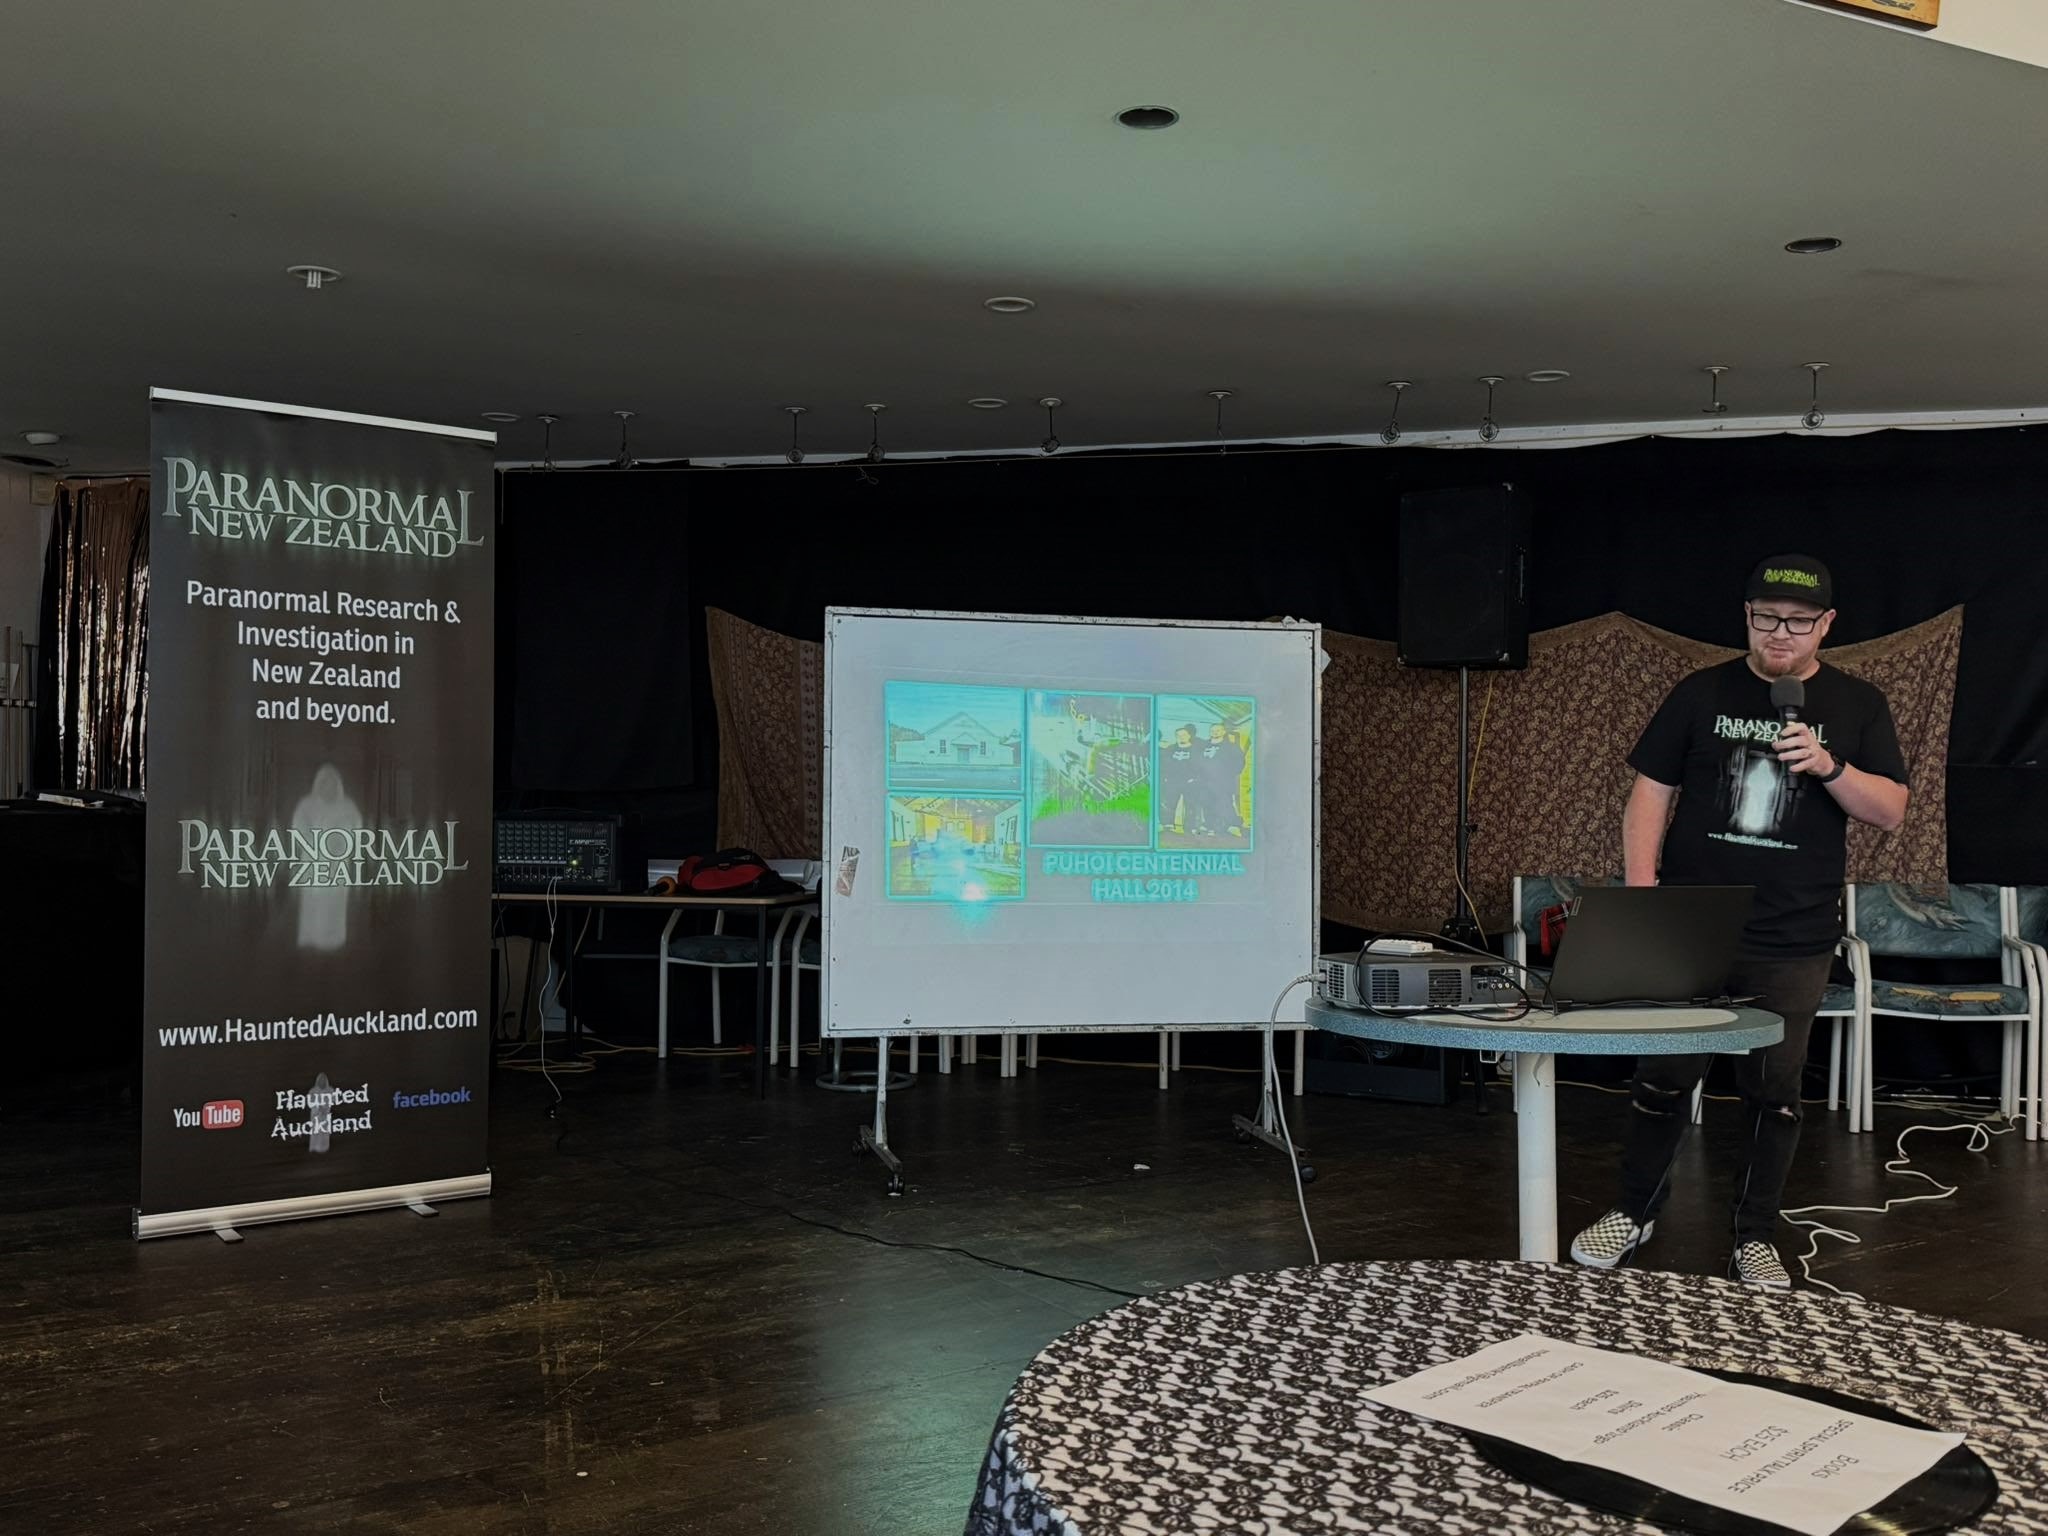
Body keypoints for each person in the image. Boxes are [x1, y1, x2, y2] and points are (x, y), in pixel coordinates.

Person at [1569, 555, 1909, 1290]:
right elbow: (1650, 793)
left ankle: (1754, 1234)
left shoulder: (1857, 703)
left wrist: (1829, 766)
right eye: (1765, 618)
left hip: (1793, 933)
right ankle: (1634, 1210)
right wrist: (1644, 896)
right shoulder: (1701, 691)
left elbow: (1890, 810)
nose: (1779, 634)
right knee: (1662, 1078)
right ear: (1746, 615)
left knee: (1773, 1093)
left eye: (1797, 622)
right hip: (1689, 927)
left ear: (1827, 624)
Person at [1200, 723, 1246, 835]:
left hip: (1223, 782)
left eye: (1218, 730)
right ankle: (1210, 825)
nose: (1215, 732)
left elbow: (1240, 762)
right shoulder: (1203, 745)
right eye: (1213, 730)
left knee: (1224, 803)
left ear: (1223, 732)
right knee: (1207, 802)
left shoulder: (1231, 746)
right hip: (1205, 781)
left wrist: (1228, 774)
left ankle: (1230, 825)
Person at [1161, 725, 1201, 833]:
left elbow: (1202, 766)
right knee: (1169, 803)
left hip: (1190, 782)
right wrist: (1166, 777)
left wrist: (1195, 778)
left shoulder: (1196, 750)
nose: (1181, 737)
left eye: (1184, 735)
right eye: (1178, 735)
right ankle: (1168, 824)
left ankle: (1190, 827)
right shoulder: (1170, 749)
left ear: (1189, 736)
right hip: (1173, 781)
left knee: (1191, 805)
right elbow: (1163, 764)